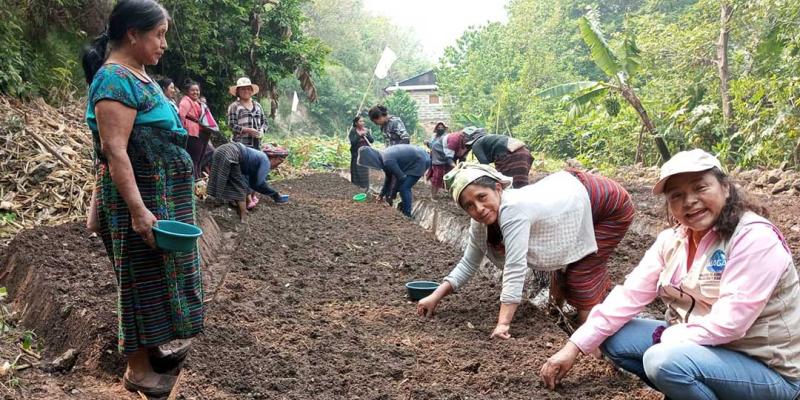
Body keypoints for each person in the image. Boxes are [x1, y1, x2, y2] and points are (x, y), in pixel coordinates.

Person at [540, 149, 800, 400]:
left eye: (700, 188)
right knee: (613, 335)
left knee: (662, 361)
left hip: (767, 367)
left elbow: (729, 325)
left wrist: (665, 338)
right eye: (677, 195)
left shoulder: (753, 238)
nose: (689, 201)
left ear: (726, 187)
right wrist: (573, 347)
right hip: (704, 350)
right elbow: (628, 297)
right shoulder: (672, 240)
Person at [81, 0, 203, 396]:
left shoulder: (139, 76)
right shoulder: (114, 81)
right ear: (133, 33)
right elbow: (115, 150)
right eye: (158, 34)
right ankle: (137, 371)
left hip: (160, 197)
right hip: (140, 201)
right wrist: (137, 211)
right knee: (137, 280)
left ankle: (151, 352)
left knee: (155, 275)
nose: (164, 43)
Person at [416, 162, 634, 337]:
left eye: (482, 197)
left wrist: (503, 324)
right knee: (563, 266)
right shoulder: (481, 222)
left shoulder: (513, 210)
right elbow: (469, 262)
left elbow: (515, 268)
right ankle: (556, 312)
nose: (479, 209)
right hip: (572, 195)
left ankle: (590, 340)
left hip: (607, 203)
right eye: (469, 206)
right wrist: (435, 296)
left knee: (581, 272)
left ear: (498, 188)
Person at [207, 142, 289, 221]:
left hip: (220, 150)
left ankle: (212, 204)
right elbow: (258, 183)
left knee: (221, 179)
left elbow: (249, 181)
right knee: (239, 189)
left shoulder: (257, 158)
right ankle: (243, 217)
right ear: (274, 157)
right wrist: (274, 194)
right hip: (231, 153)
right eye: (279, 162)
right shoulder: (265, 162)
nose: (277, 166)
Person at [357, 144, 430, 218]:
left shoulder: (388, 161)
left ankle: (407, 214)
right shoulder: (384, 158)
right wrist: (381, 195)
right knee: (401, 187)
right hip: (416, 158)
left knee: (404, 188)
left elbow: (401, 178)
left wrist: (392, 194)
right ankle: (404, 206)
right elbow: (388, 179)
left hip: (420, 160)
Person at [463, 127, 533, 188]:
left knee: (508, 184)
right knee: (521, 183)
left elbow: (484, 165)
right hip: (524, 153)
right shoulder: (490, 138)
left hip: (511, 155)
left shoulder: (476, 144)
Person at [178, 79, 218, 177]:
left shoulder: (197, 102)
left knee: (199, 159)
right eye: (193, 90)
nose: (196, 92)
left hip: (201, 132)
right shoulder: (185, 101)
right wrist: (182, 131)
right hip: (192, 133)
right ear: (188, 91)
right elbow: (181, 116)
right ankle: (194, 181)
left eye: (197, 90)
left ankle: (198, 180)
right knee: (194, 159)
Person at [227, 77, 268, 150]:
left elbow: (265, 122)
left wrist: (261, 131)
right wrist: (248, 130)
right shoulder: (234, 106)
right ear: (238, 92)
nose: (246, 91)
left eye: (248, 89)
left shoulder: (258, 106)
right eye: (243, 89)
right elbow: (232, 125)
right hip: (240, 146)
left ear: (252, 91)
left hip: (257, 145)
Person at [426, 121, 452, 198]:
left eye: (442, 127)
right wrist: (428, 143)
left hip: (442, 160)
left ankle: (436, 194)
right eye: (439, 127)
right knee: (433, 176)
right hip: (433, 158)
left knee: (441, 177)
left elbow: (447, 148)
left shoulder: (446, 137)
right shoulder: (434, 137)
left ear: (444, 128)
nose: (440, 128)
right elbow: (432, 146)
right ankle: (433, 194)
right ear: (436, 128)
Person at [348, 116, 374, 191]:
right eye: (360, 121)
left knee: (364, 170)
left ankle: (365, 187)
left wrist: (367, 135)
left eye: (363, 121)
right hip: (356, 154)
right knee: (356, 169)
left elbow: (371, 141)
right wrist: (359, 136)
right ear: (356, 123)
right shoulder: (353, 131)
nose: (362, 123)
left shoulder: (366, 130)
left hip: (365, 154)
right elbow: (353, 142)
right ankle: (356, 186)